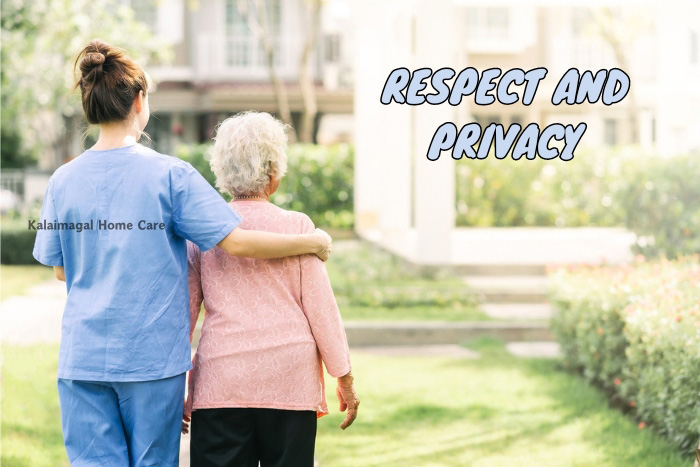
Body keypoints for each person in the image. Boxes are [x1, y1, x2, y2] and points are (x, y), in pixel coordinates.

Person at [32, 40, 332, 467]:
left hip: (83, 359)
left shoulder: (62, 180)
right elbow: (237, 241)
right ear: (140, 101)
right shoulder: (171, 175)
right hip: (151, 361)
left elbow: (61, 270)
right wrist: (311, 242)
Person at [183, 111, 359, 467]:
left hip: (221, 383)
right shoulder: (298, 227)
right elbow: (322, 312)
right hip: (289, 382)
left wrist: (176, 388)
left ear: (222, 170)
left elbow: (182, 317)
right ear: (274, 173)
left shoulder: (203, 233)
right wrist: (345, 379)